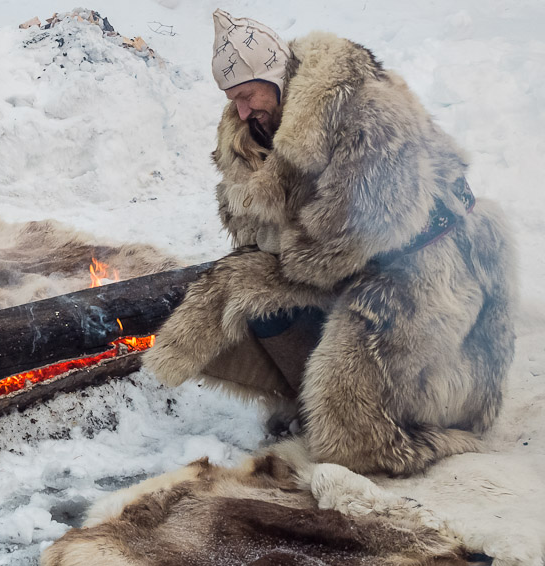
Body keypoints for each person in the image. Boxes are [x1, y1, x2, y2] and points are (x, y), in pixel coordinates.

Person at [143, 10, 516, 475]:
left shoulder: (364, 108)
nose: (241, 110)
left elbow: (355, 231)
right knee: (241, 289)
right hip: (368, 259)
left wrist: (275, 258)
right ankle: (309, 403)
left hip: (436, 266)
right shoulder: (252, 127)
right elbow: (253, 230)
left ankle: (388, 430)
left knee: (352, 418)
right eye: (231, 99)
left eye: (246, 95)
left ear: (273, 75)